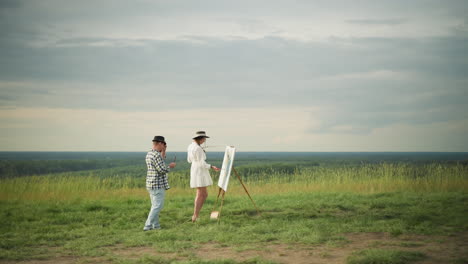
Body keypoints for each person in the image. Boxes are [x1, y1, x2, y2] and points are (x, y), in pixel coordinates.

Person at [143, 135, 176, 231]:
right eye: (163, 144)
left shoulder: (149, 153)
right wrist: (170, 166)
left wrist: (163, 151)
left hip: (150, 183)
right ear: (160, 143)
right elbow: (162, 169)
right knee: (158, 206)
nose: (164, 147)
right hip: (157, 184)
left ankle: (156, 226)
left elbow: (159, 162)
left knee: (154, 205)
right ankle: (147, 225)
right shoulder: (156, 155)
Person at [187, 131, 220, 222]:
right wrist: (211, 166)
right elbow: (201, 163)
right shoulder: (197, 148)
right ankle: (195, 216)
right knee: (201, 194)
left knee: (203, 194)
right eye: (204, 138)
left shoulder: (190, 146)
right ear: (200, 138)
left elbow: (189, 160)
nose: (205, 140)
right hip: (199, 171)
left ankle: (196, 215)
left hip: (195, 169)